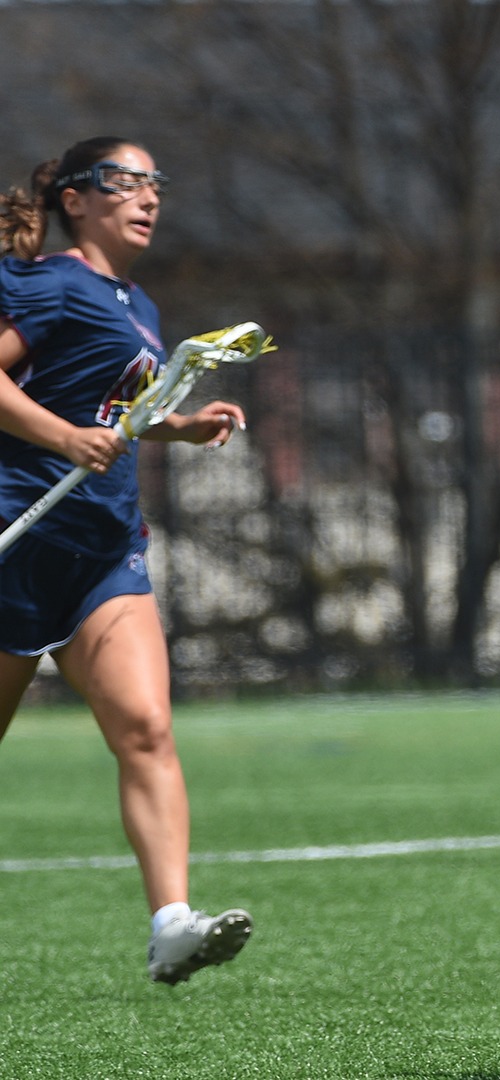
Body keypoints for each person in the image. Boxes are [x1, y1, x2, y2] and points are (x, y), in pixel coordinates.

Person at [0, 137, 254, 984]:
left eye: (156, 183)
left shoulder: (136, 303)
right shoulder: (52, 282)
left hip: (104, 550)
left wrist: (171, 426)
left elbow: (111, 411)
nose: (147, 197)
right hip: (17, 542)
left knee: (146, 730)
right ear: (76, 198)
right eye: (125, 182)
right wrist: (61, 436)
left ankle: (172, 921)